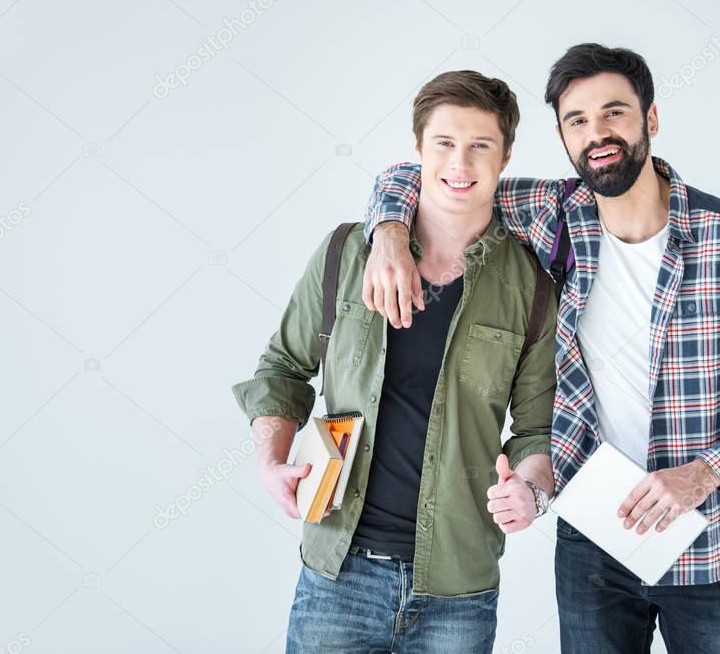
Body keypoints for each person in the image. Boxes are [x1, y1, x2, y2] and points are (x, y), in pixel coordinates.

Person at [362, 43, 720, 653]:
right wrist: (387, 234)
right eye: (578, 121)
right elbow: (422, 174)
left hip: (710, 551)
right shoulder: (552, 212)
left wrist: (704, 474)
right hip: (592, 547)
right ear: (564, 137)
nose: (598, 134)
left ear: (651, 119)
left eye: (615, 113)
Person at [233, 69, 558, 653]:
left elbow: (537, 430)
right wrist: (270, 461)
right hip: (338, 572)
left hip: (458, 586)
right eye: (445, 144)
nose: (460, 163)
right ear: (417, 152)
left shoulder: (531, 285)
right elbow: (282, 369)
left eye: (480, 145)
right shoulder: (345, 253)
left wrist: (531, 492)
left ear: (506, 157)